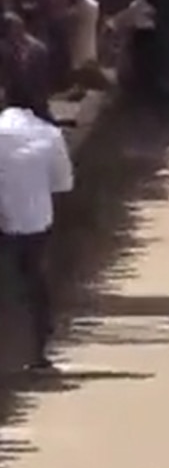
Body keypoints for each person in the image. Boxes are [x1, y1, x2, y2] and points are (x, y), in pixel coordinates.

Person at [0, 84, 74, 372]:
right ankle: (38, 351)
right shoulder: (50, 135)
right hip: (34, 220)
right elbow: (62, 184)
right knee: (34, 281)